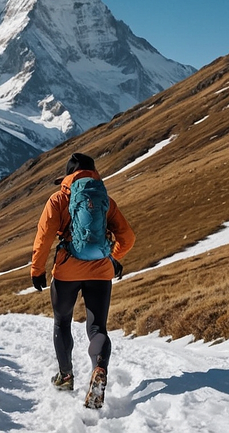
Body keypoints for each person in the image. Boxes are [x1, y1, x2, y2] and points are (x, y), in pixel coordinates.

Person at [30, 152, 135, 408]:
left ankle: (65, 376)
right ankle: (99, 369)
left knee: (62, 321)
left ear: (68, 176)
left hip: (67, 271)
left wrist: (37, 270)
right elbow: (128, 238)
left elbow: (43, 238)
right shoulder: (104, 201)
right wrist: (112, 258)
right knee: (97, 327)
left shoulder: (57, 200)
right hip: (100, 271)